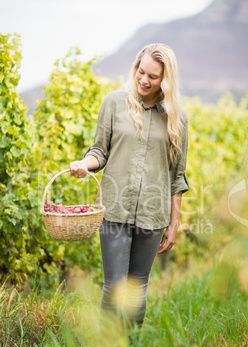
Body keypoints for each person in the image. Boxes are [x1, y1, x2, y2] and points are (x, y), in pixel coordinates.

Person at [70, 43, 189, 328]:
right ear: (136, 67)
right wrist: (84, 165)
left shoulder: (177, 118)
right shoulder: (114, 102)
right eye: (141, 71)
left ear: (166, 80)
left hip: (153, 215)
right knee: (114, 288)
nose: (144, 80)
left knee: (137, 289)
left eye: (153, 76)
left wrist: (174, 223)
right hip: (114, 210)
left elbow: (177, 175)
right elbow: (99, 150)